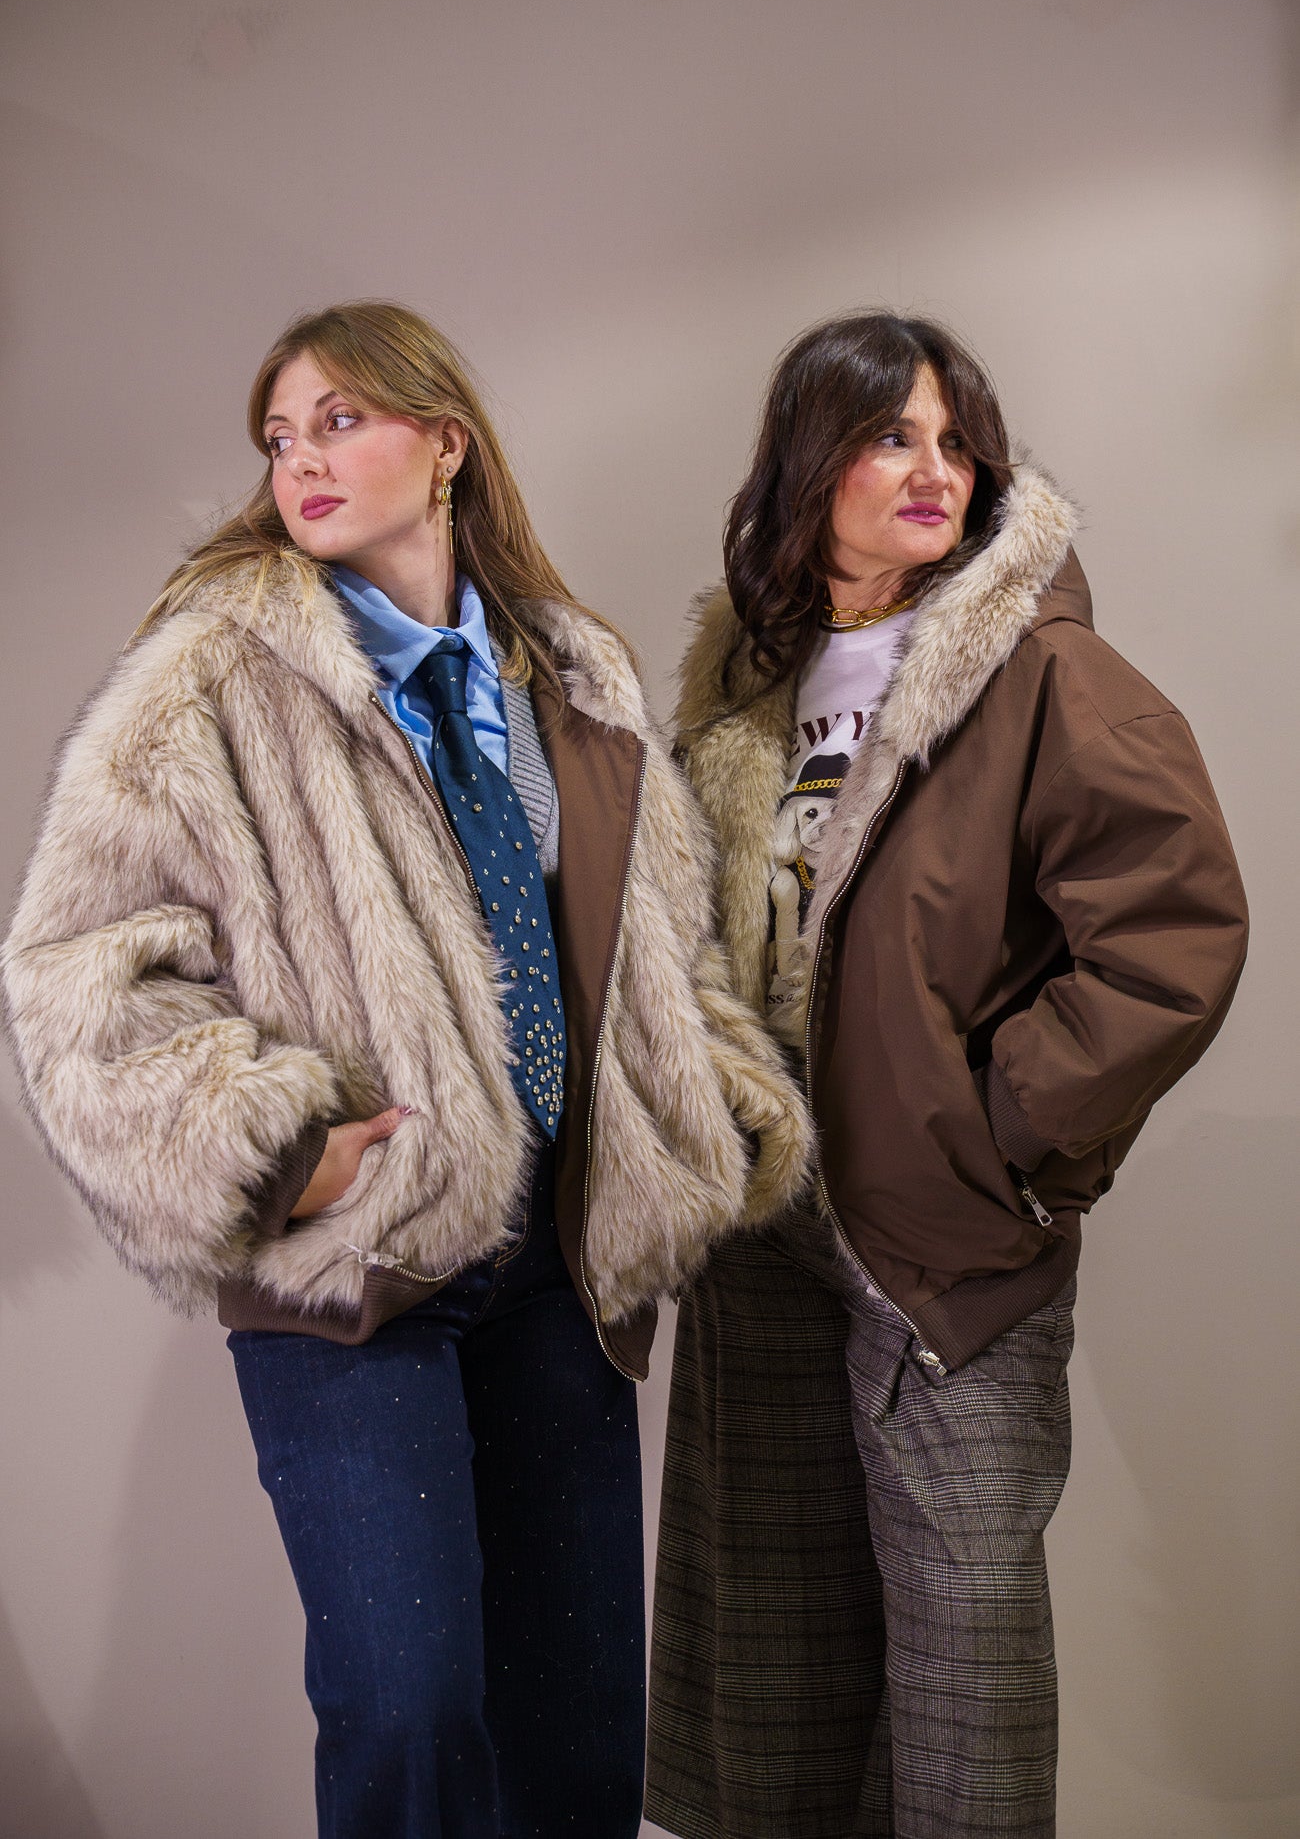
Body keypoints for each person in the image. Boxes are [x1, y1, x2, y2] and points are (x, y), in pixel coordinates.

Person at [2, 300, 810, 1839]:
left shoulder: (571, 675)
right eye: (279, 434)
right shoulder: (212, 678)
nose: (300, 457)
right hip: (359, 1264)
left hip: (562, 1265)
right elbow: (77, 972)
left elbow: (661, 939)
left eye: (339, 419)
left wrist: (706, 1108)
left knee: (577, 1733)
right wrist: (275, 1145)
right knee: (411, 1703)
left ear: (445, 444)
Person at [646, 312, 1248, 1839]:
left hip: (941, 1228)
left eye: (957, 440)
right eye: (890, 435)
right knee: (781, 1647)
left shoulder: (1039, 672)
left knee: (961, 1647)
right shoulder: (742, 689)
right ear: (806, 463)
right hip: (763, 1224)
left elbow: (1171, 936)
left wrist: (1001, 1134)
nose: (936, 469)